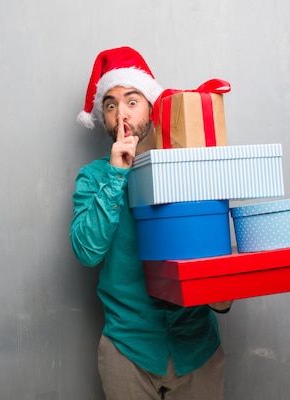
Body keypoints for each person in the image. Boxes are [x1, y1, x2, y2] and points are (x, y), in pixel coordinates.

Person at [70, 46, 233, 400]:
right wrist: (116, 175)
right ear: (104, 118)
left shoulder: (187, 165)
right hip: (128, 349)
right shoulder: (93, 176)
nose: (121, 113)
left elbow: (213, 238)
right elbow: (86, 253)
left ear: (152, 108)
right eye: (110, 105)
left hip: (197, 347)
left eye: (132, 101)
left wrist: (222, 290)